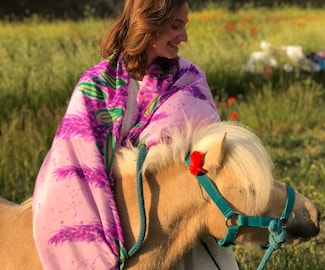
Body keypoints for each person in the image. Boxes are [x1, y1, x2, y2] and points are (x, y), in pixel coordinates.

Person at [32, 0, 239, 269]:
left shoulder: (189, 81)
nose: (184, 37)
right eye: (176, 26)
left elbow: (211, 155)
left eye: (184, 26)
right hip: (114, 228)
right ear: (149, 23)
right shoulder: (95, 88)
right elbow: (72, 167)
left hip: (180, 231)